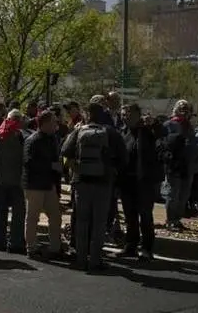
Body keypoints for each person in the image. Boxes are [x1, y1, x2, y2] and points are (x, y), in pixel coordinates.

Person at [61, 102, 126, 272]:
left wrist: (76, 169)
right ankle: (95, 260)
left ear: (87, 114)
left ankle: (81, 259)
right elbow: (123, 158)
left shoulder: (79, 130)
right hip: (103, 183)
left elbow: (65, 152)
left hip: (82, 182)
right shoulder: (111, 133)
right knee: (99, 223)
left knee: (82, 222)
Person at [116, 104, 163, 261]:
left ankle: (146, 248)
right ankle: (131, 245)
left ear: (137, 115)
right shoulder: (123, 132)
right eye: (123, 114)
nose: (124, 117)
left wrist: (154, 123)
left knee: (145, 215)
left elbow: (162, 135)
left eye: (128, 114)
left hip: (144, 181)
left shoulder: (147, 130)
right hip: (126, 180)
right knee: (130, 216)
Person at [23, 110, 64, 259]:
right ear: (45, 124)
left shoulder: (52, 139)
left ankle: (55, 247)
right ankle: (32, 248)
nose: (56, 125)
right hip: (34, 184)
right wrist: (51, 166)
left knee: (55, 216)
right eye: (54, 122)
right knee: (33, 217)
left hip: (49, 184)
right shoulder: (32, 140)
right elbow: (29, 162)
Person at [0, 109, 26, 253]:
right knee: (18, 213)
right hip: (16, 181)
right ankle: (15, 242)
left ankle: (0, 242)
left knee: (0, 212)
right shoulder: (20, 136)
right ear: (18, 120)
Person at [162, 100, 198, 231]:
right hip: (174, 164)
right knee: (173, 193)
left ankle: (177, 219)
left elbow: (193, 144)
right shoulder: (169, 124)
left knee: (184, 194)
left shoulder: (189, 126)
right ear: (176, 109)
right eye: (182, 108)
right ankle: (170, 219)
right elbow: (164, 144)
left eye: (186, 108)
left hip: (188, 165)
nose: (184, 110)